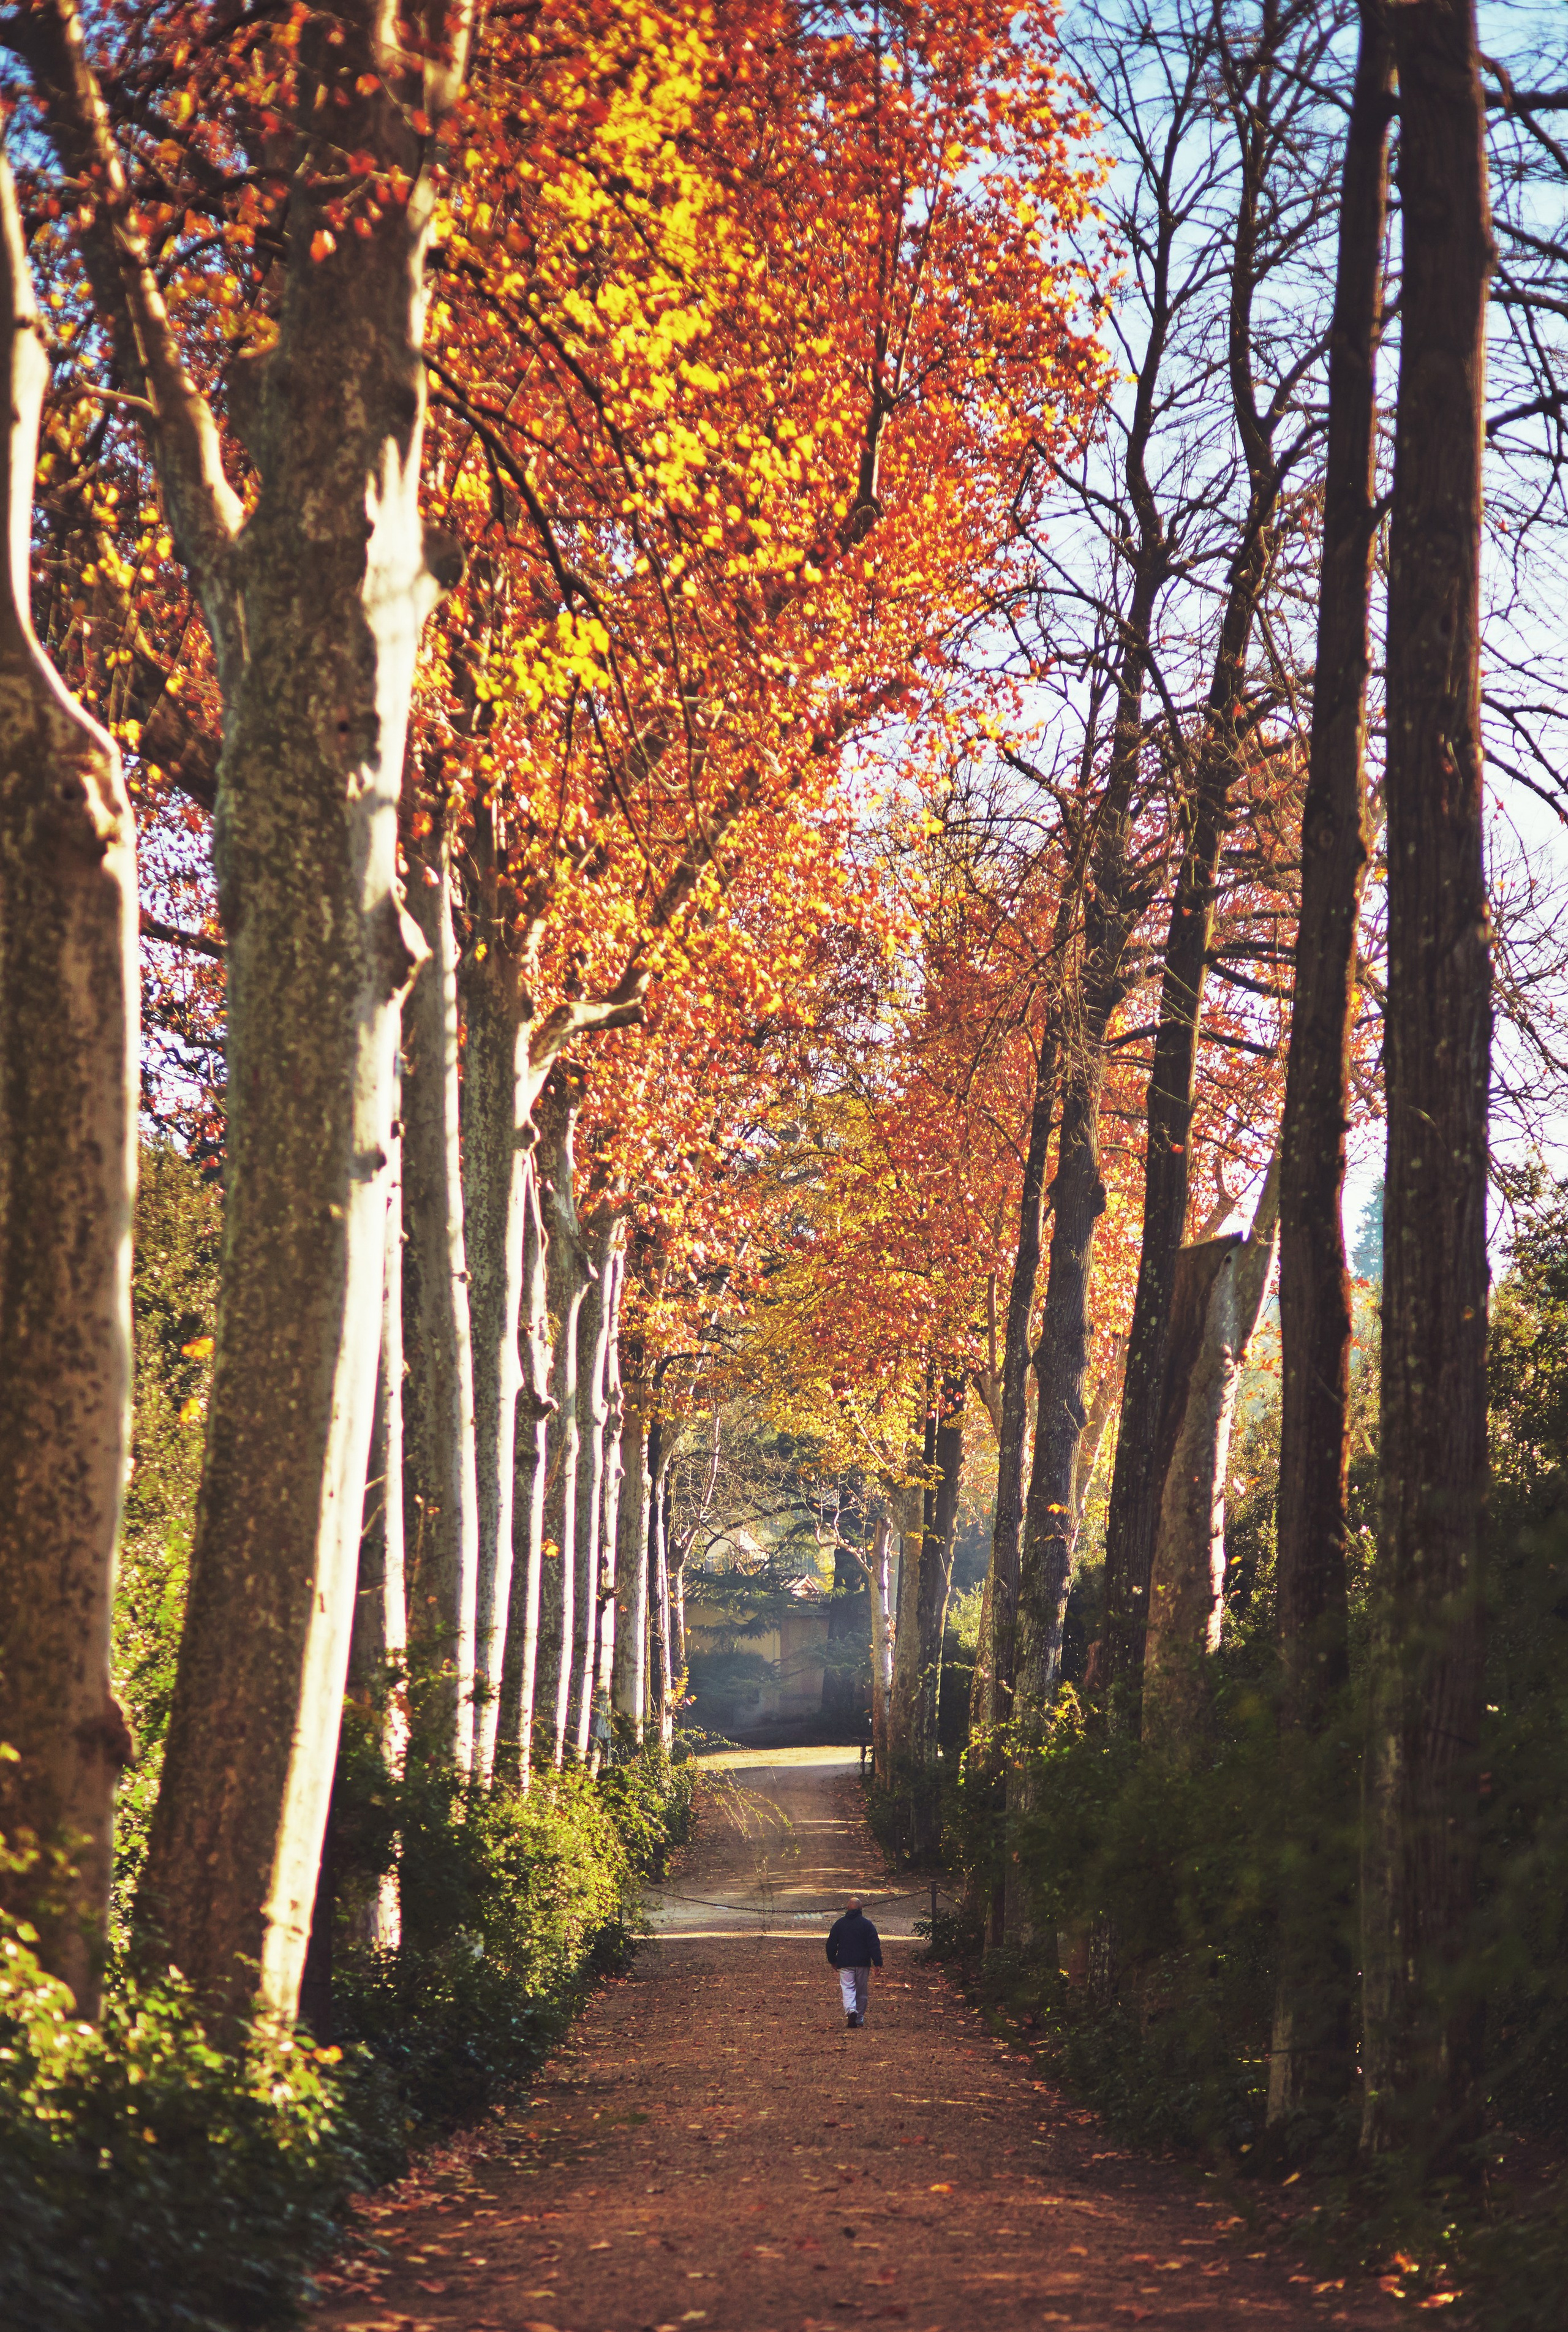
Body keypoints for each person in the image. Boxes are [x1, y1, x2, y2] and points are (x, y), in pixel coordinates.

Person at [825, 1895, 883, 2028]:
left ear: (847, 1908)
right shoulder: (867, 1925)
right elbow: (874, 1944)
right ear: (861, 1909)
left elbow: (831, 1944)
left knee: (848, 1988)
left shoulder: (840, 1924)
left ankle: (851, 2010)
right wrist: (878, 1962)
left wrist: (833, 1960)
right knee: (862, 1991)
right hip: (863, 1962)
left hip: (845, 1962)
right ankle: (859, 2018)